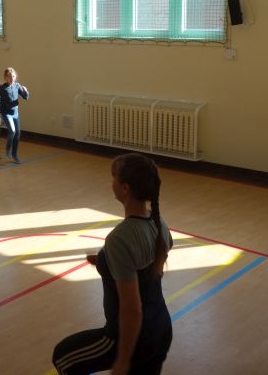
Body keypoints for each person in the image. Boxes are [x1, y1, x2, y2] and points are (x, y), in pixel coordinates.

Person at [52, 153, 173, 375]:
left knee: (63, 357)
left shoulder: (120, 239)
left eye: (114, 176)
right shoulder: (160, 224)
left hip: (130, 337)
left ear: (125, 188)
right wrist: (104, 262)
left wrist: (123, 360)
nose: (111, 182)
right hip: (161, 328)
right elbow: (147, 266)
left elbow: (132, 309)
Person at [0, 67, 29, 163]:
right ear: (5, 78)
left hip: (15, 113)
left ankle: (14, 154)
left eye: (13, 76)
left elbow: (25, 97)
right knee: (12, 131)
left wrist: (25, 90)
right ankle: (8, 148)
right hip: (6, 113)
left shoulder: (17, 85)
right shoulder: (2, 88)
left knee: (17, 133)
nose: (12, 79)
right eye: (9, 77)